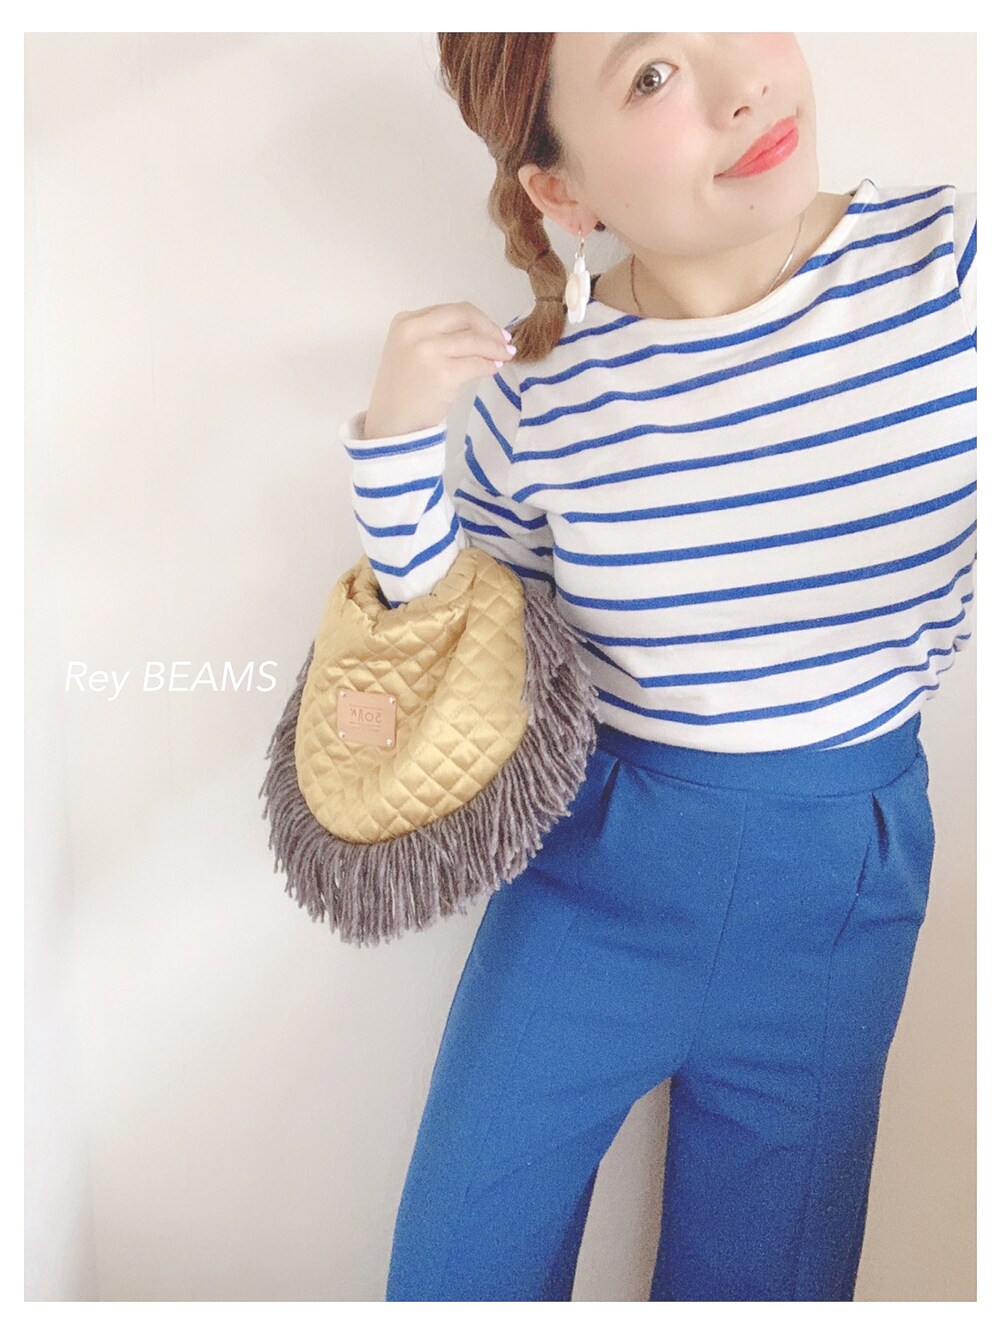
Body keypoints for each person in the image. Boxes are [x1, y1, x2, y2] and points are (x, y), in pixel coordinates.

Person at [337, 33, 976, 1302]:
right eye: (649, 75)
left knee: (766, 1286)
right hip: (591, 867)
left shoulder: (949, 267)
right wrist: (397, 442)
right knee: (456, 1270)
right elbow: (459, 643)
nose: (742, 85)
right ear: (561, 190)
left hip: (837, 884)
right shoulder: (543, 390)